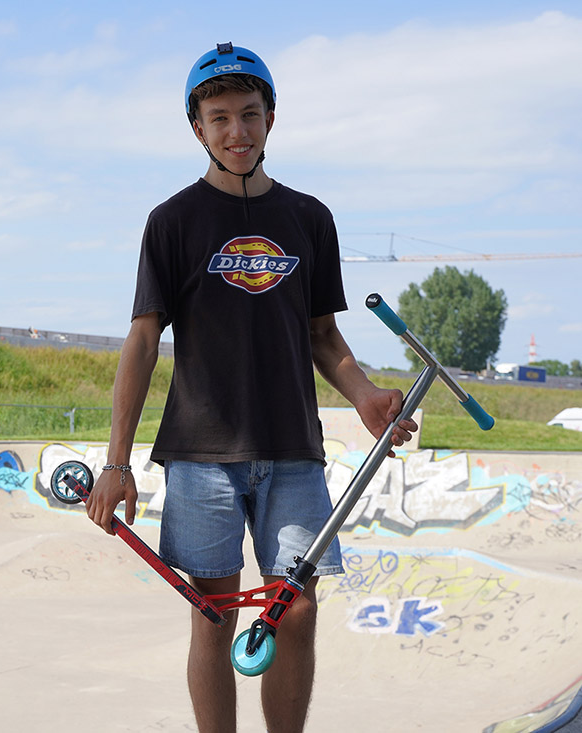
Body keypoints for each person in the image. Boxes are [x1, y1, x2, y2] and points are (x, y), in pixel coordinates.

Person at [85, 42, 417, 733]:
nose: (237, 131)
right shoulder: (172, 221)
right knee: (213, 614)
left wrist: (367, 397)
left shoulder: (309, 218)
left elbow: (323, 335)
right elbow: (144, 340)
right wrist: (116, 463)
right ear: (197, 127)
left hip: (294, 448)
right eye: (220, 117)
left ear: (271, 120)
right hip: (201, 453)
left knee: (295, 608)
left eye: (250, 115)